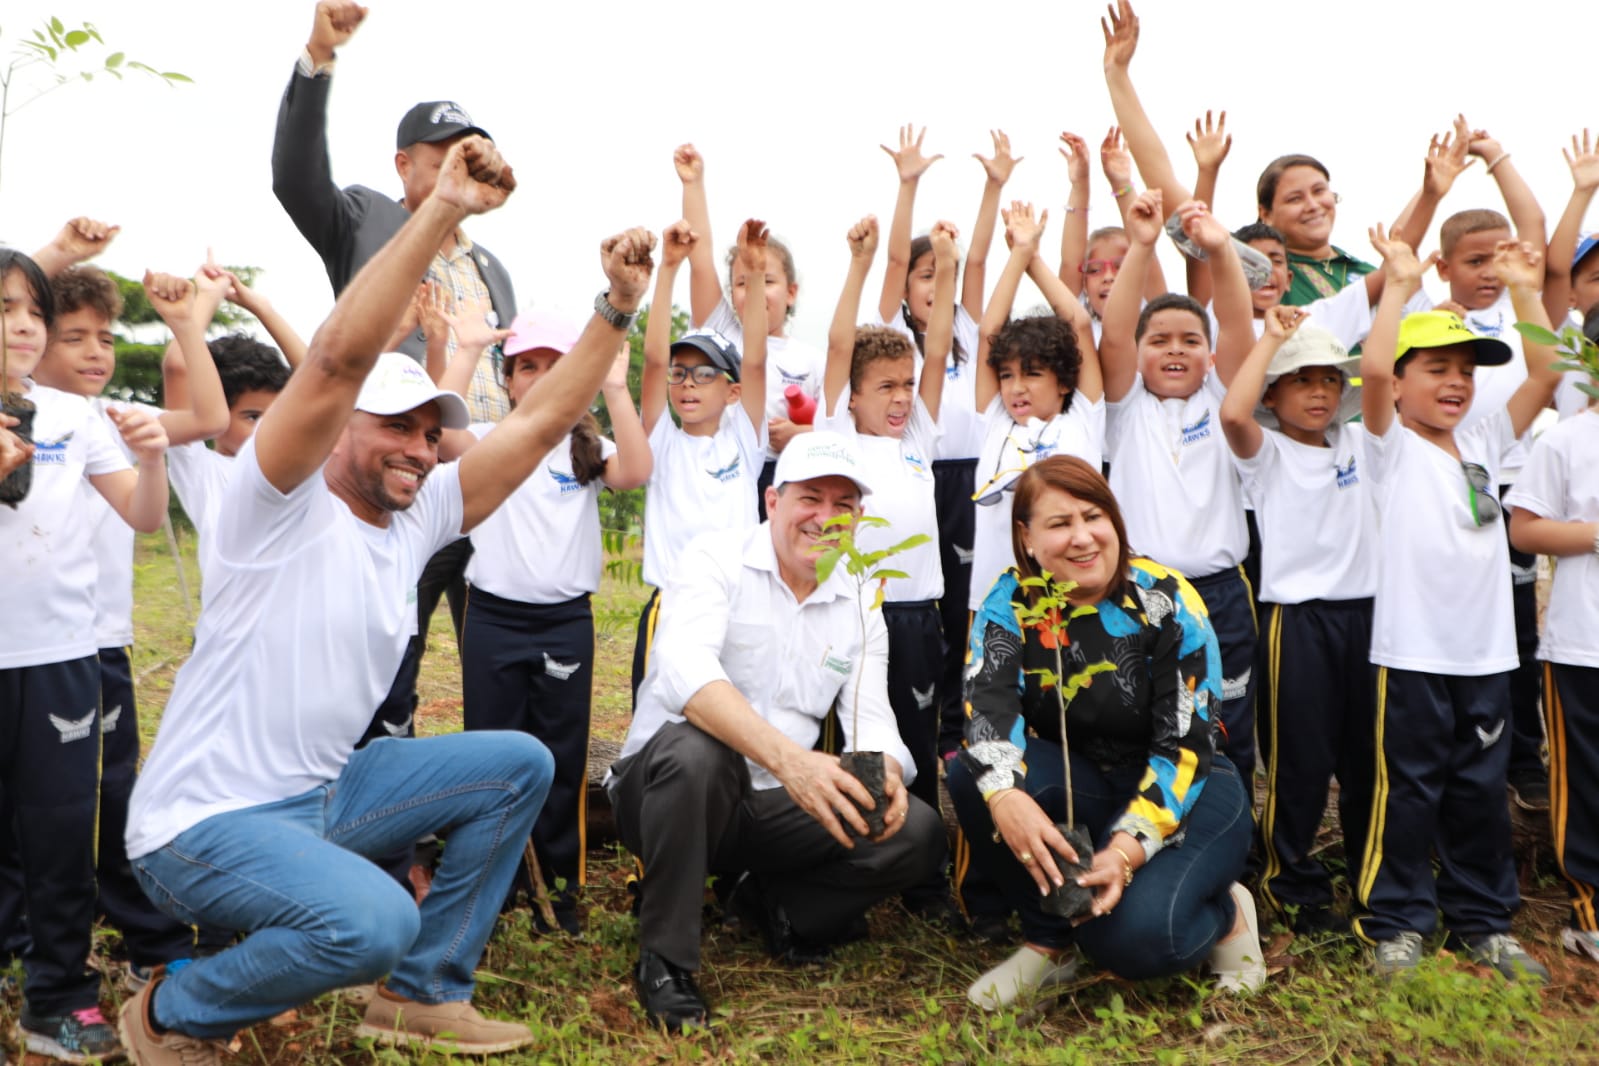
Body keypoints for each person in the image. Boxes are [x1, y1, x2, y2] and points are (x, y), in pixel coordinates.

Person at [117, 136, 655, 1062]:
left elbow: (533, 423)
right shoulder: (270, 502)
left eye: (427, 429)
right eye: (391, 427)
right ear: (334, 431)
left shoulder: (416, 517)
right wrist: (442, 208)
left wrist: (616, 309)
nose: (415, 446)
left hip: (323, 793)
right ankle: (175, 1013)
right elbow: (331, 360)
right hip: (199, 826)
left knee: (518, 762)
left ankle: (422, 993)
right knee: (370, 920)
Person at [609, 430, 943, 1032]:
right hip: (665, 795)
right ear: (772, 502)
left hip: (772, 808)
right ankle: (665, 959)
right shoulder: (714, 558)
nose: (826, 518)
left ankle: (778, 906)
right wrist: (793, 761)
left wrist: (886, 771)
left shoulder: (861, 596)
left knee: (914, 830)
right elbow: (685, 676)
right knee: (699, 750)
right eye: (810, 498)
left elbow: (872, 717)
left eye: (844, 506)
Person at [949, 456, 1261, 1010]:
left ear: (1115, 521)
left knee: (1141, 942)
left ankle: (1228, 913)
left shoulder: (1165, 600)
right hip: (1086, 782)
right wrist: (1004, 797)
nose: (1081, 538)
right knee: (972, 773)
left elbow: (1185, 747)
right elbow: (986, 709)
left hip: (1191, 789)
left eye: (1093, 516)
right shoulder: (1010, 602)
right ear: (1025, 536)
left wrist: (1122, 853)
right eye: (1058, 523)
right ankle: (1050, 944)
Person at [271, 0, 516, 653]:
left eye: (469, 155)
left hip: (479, 479)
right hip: (399, 470)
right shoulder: (363, 219)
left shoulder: (491, 266)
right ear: (403, 165)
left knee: (490, 645)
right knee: (388, 639)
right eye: (439, 159)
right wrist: (317, 61)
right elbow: (295, 180)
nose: (455, 169)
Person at [1350, 228, 1558, 982]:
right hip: (1408, 653)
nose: (1455, 384)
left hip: (1486, 654)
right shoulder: (1383, 444)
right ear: (1401, 384)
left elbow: (1542, 373)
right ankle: (1398, 922)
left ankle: (1482, 921)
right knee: (1407, 788)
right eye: (1436, 368)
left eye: (1465, 372)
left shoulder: (1478, 442)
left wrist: (1524, 288)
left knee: (1477, 788)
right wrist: (1400, 284)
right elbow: (1371, 365)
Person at [28, 263, 232, 994]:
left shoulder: (111, 420)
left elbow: (207, 417)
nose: (95, 352)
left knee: (118, 791)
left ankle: (150, 936)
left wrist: (190, 316)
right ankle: (27, 938)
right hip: (28, 649)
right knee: (33, 807)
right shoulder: (13, 410)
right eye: (72, 336)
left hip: (100, 644)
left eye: (105, 338)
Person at [1, 247, 171, 1063]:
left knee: (61, 830)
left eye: (32, 309)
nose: (24, 326)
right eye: (5, 309)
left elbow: (141, 516)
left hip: (60, 652)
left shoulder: (74, 418)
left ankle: (59, 997)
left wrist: (154, 457)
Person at [444, 306, 650, 935]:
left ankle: (561, 890)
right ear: (508, 382)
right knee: (490, 753)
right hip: (493, 622)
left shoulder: (588, 448)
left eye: (554, 368)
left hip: (565, 625)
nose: (537, 378)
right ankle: (495, 886)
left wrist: (614, 386)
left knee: (561, 759)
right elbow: (438, 429)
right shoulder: (487, 438)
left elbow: (639, 472)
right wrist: (470, 348)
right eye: (526, 367)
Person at [1219, 309, 1375, 934]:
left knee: (1368, 757)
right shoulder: (1269, 452)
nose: (1319, 393)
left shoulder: (1364, 444)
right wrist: (1273, 339)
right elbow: (1233, 414)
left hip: (1368, 618)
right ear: (1273, 394)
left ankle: (1375, 876)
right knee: (1299, 760)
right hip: (1296, 622)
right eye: (1301, 380)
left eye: (1331, 381)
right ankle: (1292, 880)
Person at [820, 213, 958, 922]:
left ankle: (925, 882)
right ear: (851, 396)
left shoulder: (919, 436)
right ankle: (851, 871)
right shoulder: (837, 436)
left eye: (906, 385)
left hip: (916, 616)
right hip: (855, 612)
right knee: (855, 742)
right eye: (885, 387)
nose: (901, 397)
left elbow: (937, 349)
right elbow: (842, 342)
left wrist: (954, 263)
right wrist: (858, 262)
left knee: (918, 737)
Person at [1097, 191, 1259, 781]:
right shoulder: (1122, 408)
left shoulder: (1222, 399)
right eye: (1159, 340)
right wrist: (1141, 245)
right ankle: (1145, 848)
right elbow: (1113, 335)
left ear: (1210, 357)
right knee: (1144, 727)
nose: (1174, 349)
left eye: (1190, 340)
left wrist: (1220, 252)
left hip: (1220, 594)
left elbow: (1237, 323)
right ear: (1139, 355)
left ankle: (1232, 860)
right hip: (1139, 594)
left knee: (1226, 727)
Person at [631, 218, 770, 706]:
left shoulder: (745, 440)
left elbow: (754, 361)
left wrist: (753, 275)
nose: (688, 383)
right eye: (680, 373)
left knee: (737, 732)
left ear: (732, 391)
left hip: (736, 608)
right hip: (671, 606)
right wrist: (668, 268)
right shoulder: (662, 439)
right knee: (656, 732)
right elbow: (650, 362)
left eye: (704, 373)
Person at [1505, 348, 1599, 962]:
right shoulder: (1567, 440)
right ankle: (1589, 905)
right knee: (1587, 776)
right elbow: (1525, 529)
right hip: (1584, 641)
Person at [675, 143, 824, 508]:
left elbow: (837, 429)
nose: (752, 291)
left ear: (791, 292)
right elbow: (700, 257)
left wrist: (800, 434)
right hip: (724, 469)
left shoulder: (811, 359)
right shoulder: (722, 331)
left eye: (764, 280)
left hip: (789, 477)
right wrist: (693, 184)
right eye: (741, 283)